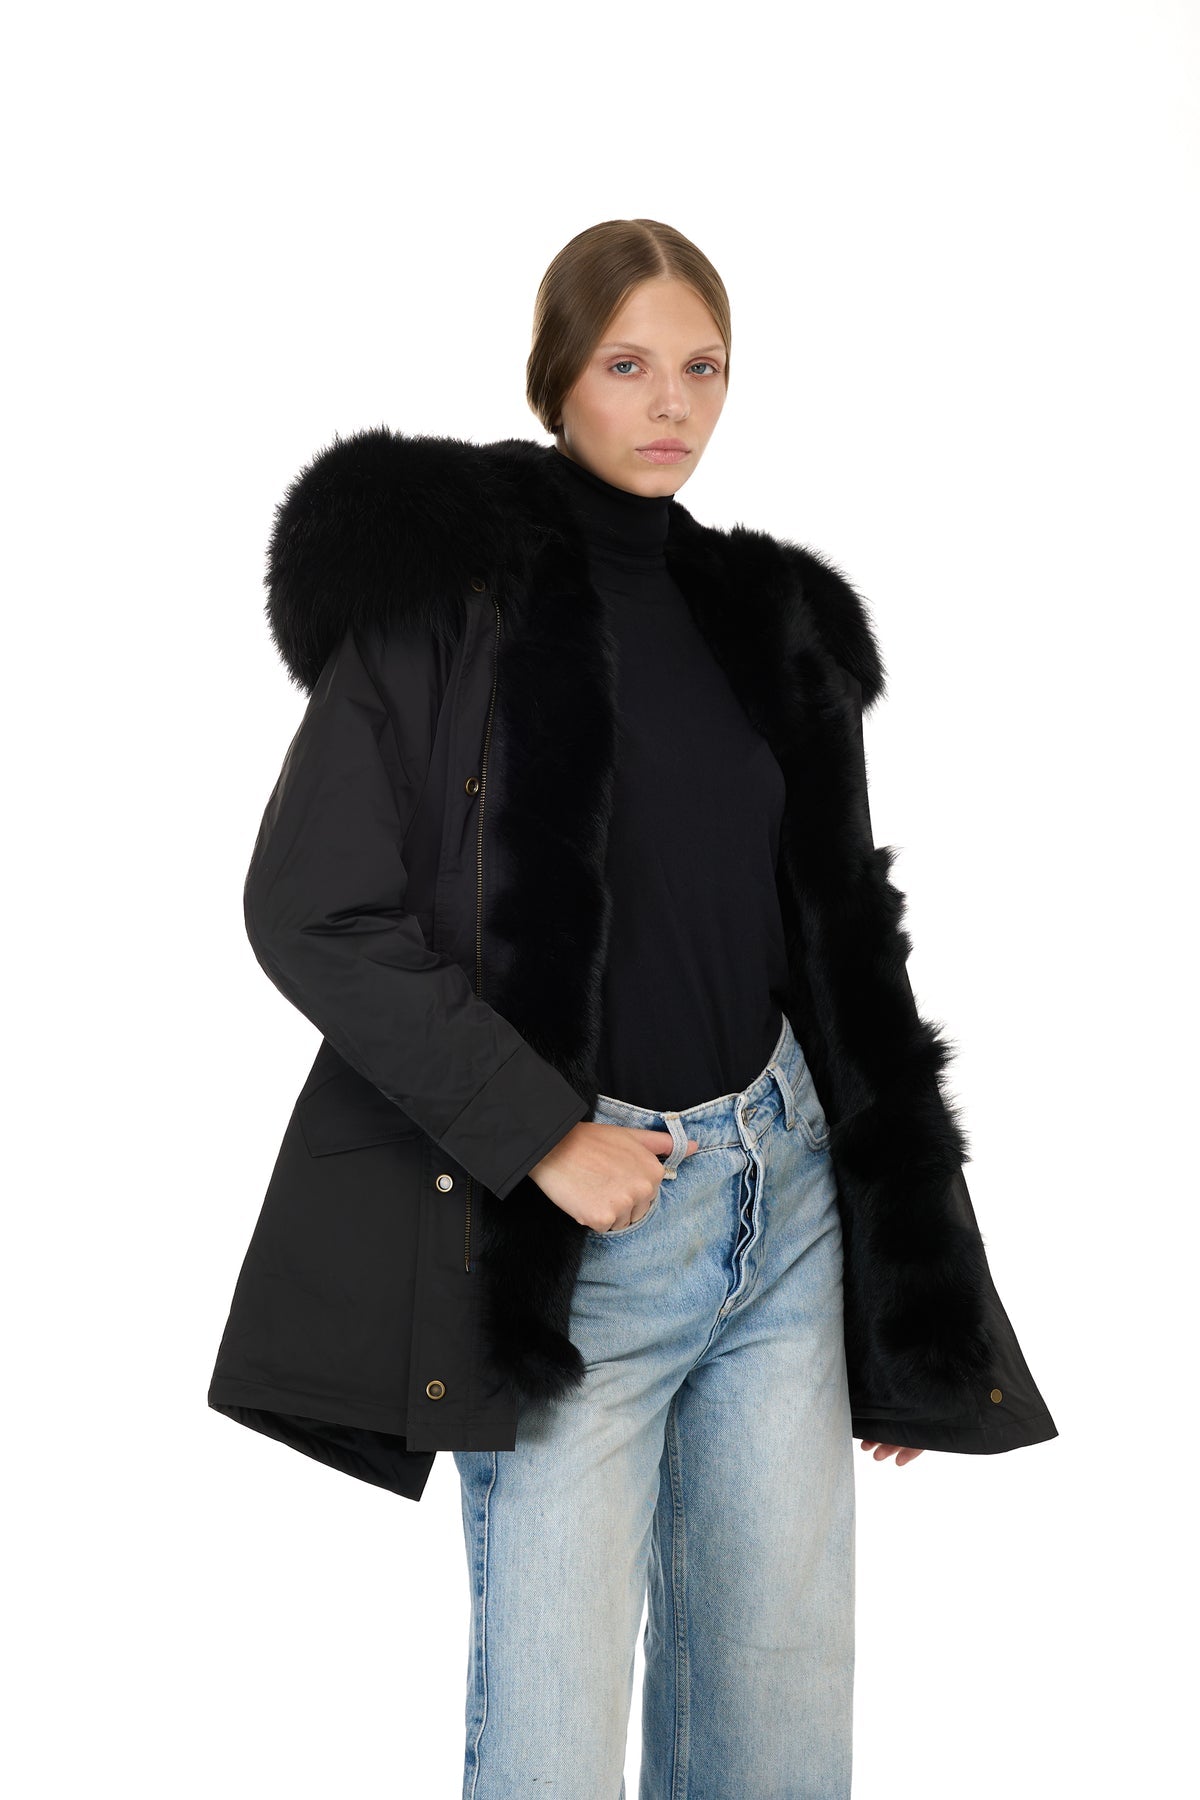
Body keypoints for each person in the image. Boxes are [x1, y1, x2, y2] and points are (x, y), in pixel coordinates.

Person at [208, 218, 1058, 1799]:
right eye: (628, 365)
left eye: (703, 368)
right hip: (572, 1242)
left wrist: (914, 1301)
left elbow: (850, 960)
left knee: (777, 1728)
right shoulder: (446, 598)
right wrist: (545, 1135)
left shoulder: (772, 623)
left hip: (783, 1207)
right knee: (549, 1736)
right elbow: (310, 908)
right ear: (557, 379)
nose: (671, 403)